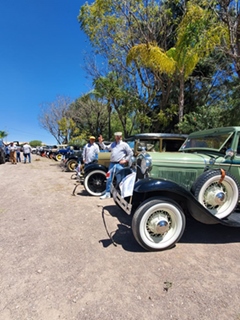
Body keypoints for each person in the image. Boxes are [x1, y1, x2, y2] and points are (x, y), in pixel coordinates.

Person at [98, 132, 133, 199]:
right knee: (108, 178)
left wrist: (126, 160)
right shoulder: (113, 144)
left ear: (121, 137)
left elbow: (130, 153)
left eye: (119, 136)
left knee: (121, 179)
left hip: (119, 164)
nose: (118, 137)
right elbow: (106, 148)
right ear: (115, 137)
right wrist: (100, 142)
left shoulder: (124, 145)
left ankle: (121, 194)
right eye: (117, 136)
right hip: (112, 163)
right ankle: (108, 193)